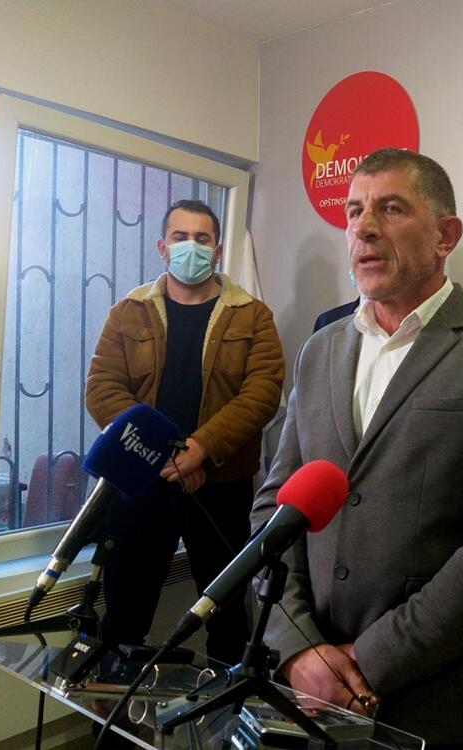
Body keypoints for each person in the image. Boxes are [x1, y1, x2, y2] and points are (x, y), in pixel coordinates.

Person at [250, 148, 463, 747]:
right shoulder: (320, 349)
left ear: (446, 236)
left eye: (391, 209)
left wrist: (368, 661)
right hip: (310, 693)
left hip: (435, 704)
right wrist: (297, 647)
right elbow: (275, 509)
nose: (363, 228)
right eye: (354, 211)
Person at [86, 199, 285, 667]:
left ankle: (222, 708)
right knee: (124, 612)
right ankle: (114, 708)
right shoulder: (127, 312)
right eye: (180, 237)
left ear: (217, 250)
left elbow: (262, 392)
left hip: (221, 486)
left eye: (201, 239)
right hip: (142, 482)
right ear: (163, 247)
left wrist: (202, 449)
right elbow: (102, 389)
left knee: (227, 616)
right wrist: (165, 455)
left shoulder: (252, 315)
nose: (190, 247)